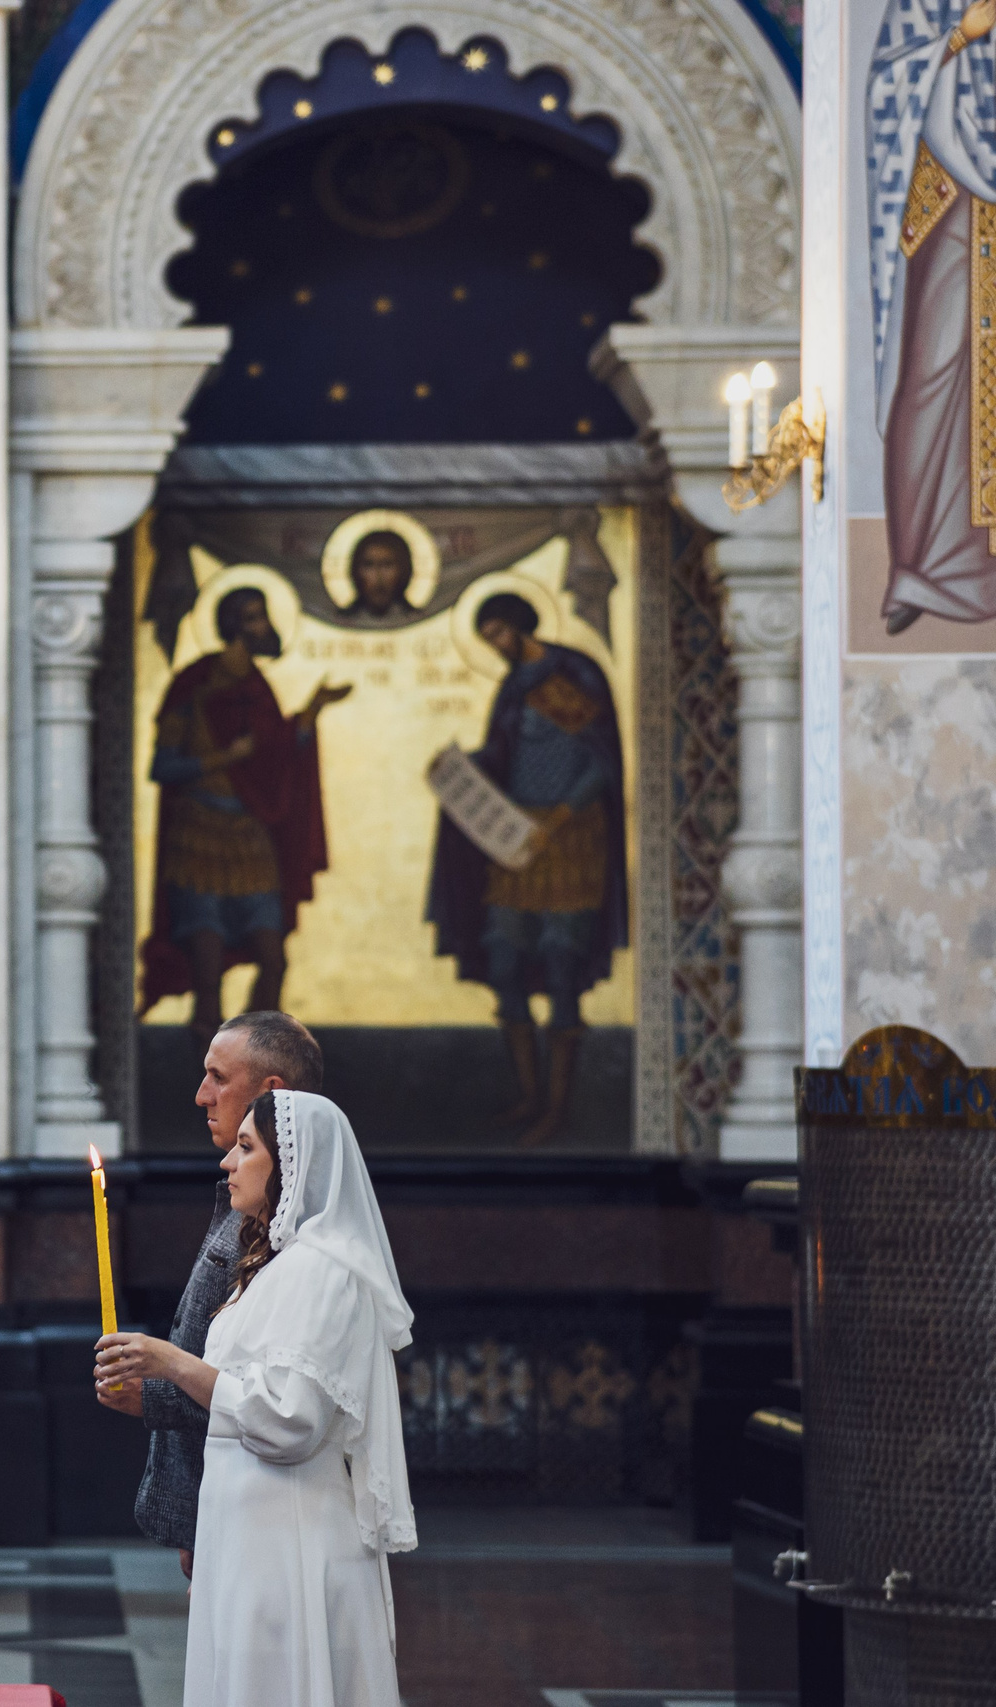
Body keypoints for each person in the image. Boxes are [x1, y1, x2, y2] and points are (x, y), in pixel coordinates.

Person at [96, 1088, 416, 1707]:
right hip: (248, 1537)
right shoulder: (273, 1265)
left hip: (290, 1544)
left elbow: (289, 1422)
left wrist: (171, 1363)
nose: (227, 1162)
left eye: (246, 1148)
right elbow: (240, 1395)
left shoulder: (321, 1271)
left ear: (292, 1165)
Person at [95, 1010, 323, 1578]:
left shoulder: (296, 1231)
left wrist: (154, 1390)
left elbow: (273, 1396)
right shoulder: (248, 1200)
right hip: (215, 1493)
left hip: (255, 1501)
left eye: (218, 1077)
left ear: (270, 1092)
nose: (202, 1095)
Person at [425, 591, 626, 1145]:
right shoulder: (514, 685)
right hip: (516, 838)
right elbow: (503, 755)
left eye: (497, 633)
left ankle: (558, 1109)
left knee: (562, 965)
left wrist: (559, 816)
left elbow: (600, 762)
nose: (494, 645)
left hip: (570, 839)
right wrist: (462, 771)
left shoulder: (573, 674)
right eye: (486, 637)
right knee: (504, 958)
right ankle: (529, 1098)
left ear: (518, 625)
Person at [138, 588, 351, 1042]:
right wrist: (224, 759)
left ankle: (255, 1049)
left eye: (262, 616)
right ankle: (206, 1069)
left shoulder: (257, 687)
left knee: (273, 958)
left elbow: (274, 753)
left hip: (250, 840)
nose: (264, 626)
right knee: (207, 965)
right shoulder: (193, 685)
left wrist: (312, 710)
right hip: (199, 840)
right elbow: (162, 767)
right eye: (254, 618)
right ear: (233, 624)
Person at [867, 0, 996, 634]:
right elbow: (888, 83)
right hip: (956, 203)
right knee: (933, 375)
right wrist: (955, 40)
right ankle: (921, 566)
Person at [340, 531, 417, 624]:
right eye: (369, 565)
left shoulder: (415, 619)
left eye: (387, 564)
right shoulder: (343, 620)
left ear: (403, 569)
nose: (379, 576)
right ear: (356, 570)